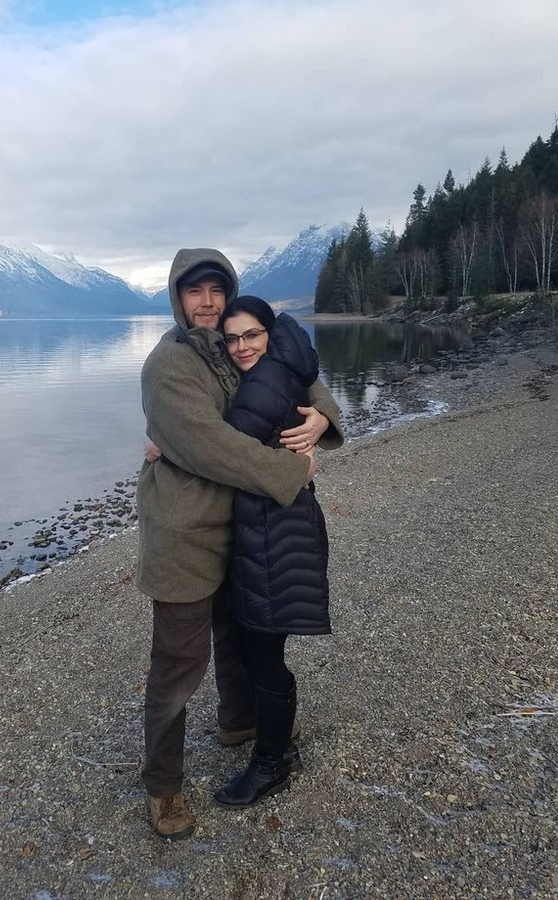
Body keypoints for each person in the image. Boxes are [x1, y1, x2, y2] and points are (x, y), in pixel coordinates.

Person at [137, 248, 343, 840]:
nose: (206, 302)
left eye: (216, 290)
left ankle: (239, 722)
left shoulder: (235, 346)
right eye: (194, 292)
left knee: (238, 635)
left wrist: (321, 421)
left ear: (229, 295)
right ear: (177, 298)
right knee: (178, 664)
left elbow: (299, 377)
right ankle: (163, 786)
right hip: (183, 533)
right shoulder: (168, 366)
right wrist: (289, 472)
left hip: (241, 525)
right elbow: (209, 446)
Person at [212, 296, 331, 808]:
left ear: (270, 333)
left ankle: (271, 763)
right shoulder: (283, 368)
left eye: (251, 335)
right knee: (261, 645)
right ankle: (277, 744)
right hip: (276, 526)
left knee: (262, 650)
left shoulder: (265, 381)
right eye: (232, 338)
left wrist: (162, 444)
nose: (241, 347)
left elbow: (220, 447)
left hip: (273, 532)